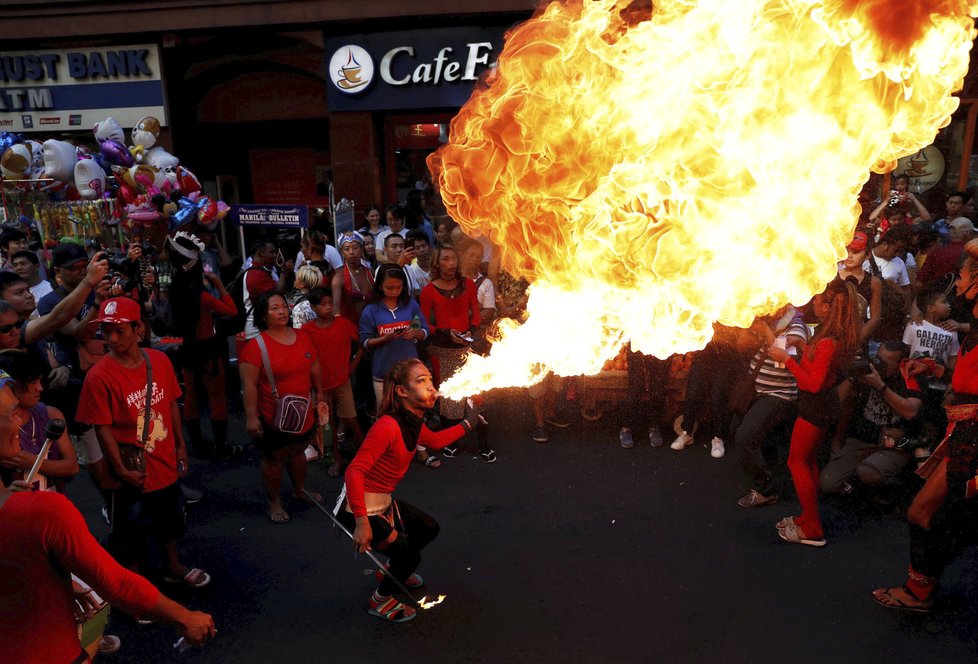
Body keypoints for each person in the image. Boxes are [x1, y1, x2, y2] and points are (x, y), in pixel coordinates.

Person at [0, 369, 216, 663]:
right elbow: (116, 584)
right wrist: (185, 618)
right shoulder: (42, 511)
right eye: (11, 413)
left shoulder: (21, 503)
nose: (18, 421)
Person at [872, 239, 978, 613]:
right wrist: (935, 369)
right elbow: (964, 378)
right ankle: (921, 589)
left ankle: (920, 592)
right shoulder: (972, 325)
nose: (957, 281)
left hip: (974, 440)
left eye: (964, 274)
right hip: (962, 433)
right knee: (929, 514)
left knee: (935, 515)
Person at [76, 297, 209, 587]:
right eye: (106, 331)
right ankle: (133, 589)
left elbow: (172, 403)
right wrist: (120, 471)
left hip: (164, 462)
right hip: (131, 469)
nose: (111, 338)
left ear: (139, 328)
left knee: (171, 519)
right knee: (129, 531)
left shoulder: (159, 361)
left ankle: (171, 566)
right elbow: (103, 429)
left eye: (119, 330)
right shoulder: (98, 377)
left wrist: (181, 445)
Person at [339, 358, 482, 623]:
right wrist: (361, 522)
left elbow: (435, 440)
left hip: (383, 501)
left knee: (428, 528)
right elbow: (354, 471)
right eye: (420, 381)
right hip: (359, 506)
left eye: (429, 379)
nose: (430, 385)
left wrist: (468, 423)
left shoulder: (414, 421)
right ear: (402, 391)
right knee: (409, 555)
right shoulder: (388, 426)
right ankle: (380, 601)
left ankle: (393, 570)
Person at [765, 280, 860, 546]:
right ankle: (808, 517)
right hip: (821, 406)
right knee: (808, 462)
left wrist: (787, 360)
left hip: (816, 407)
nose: (813, 303)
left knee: (796, 463)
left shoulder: (829, 340)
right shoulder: (830, 335)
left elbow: (814, 384)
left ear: (827, 307)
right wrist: (802, 346)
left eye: (817, 300)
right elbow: (819, 367)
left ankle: (813, 528)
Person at [239, 292, 324, 524]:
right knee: (274, 459)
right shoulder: (256, 347)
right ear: (263, 316)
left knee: (299, 452)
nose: (282, 311)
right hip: (273, 416)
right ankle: (274, 501)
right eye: (274, 308)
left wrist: (320, 396)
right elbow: (249, 385)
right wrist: (251, 418)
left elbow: (314, 366)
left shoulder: (302, 336)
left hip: (303, 412)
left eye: (284, 307)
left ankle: (299, 490)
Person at [166, 233, 241, 460]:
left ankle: (197, 444)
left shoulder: (175, 289)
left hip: (187, 348)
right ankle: (221, 445)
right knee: (217, 397)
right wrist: (219, 283)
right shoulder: (202, 295)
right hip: (209, 348)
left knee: (191, 395)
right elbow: (232, 311)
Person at [420, 244, 495, 463]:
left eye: (453, 258)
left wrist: (469, 331)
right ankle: (451, 441)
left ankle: (483, 443)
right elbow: (425, 324)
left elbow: (475, 314)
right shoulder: (428, 290)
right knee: (450, 400)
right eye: (445, 259)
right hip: (442, 351)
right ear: (437, 263)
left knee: (475, 396)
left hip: (466, 348)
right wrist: (444, 333)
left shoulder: (469, 285)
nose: (451, 263)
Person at [819, 341, 923, 495]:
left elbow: (910, 411)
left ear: (900, 363)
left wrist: (880, 386)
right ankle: (859, 488)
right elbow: (837, 403)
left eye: (885, 362)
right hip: (863, 438)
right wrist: (852, 376)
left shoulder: (910, 375)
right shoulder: (868, 372)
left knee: (868, 472)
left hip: (895, 443)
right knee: (827, 483)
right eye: (878, 358)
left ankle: (896, 490)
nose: (879, 364)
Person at [736, 306, 810, 507]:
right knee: (766, 441)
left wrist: (764, 331)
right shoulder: (776, 324)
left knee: (745, 438)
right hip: (762, 394)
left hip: (779, 397)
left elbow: (781, 352)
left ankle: (766, 490)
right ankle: (776, 479)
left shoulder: (797, 326)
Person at [297, 288, 364, 477]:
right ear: (313, 307)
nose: (328, 308)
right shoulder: (307, 330)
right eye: (323, 304)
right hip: (321, 386)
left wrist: (353, 366)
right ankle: (337, 458)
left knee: (351, 419)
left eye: (330, 303)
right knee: (329, 424)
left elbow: (361, 344)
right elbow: (305, 357)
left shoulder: (343, 324)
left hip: (342, 382)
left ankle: (365, 455)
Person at [0, 350, 78, 493]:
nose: (40, 388)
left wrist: (33, 463)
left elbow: (72, 466)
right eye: (32, 382)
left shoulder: (51, 415)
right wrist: (7, 496)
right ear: (10, 386)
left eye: (39, 381)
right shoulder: (4, 431)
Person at [670, 326, 744, 459]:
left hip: (728, 352)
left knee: (719, 395)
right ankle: (687, 433)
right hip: (705, 350)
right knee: (693, 392)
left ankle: (719, 438)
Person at [837, 231, 882, 345]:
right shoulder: (832, 276)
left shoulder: (873, 282)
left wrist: (857, 340)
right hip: (832, 336)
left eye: (856, 252)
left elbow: (875, 317)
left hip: (858, 335)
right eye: (847, 250)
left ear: (868, 255)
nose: (849, 255)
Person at [242, 240, 292, 342]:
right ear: (261, 254)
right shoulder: (255, 275)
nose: (275, 255)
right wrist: (283, 269)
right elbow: (279, 292)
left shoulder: (264, 270)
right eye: (272, 252)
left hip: (262, 328)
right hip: (257, 331)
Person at [917, 217, 976, 286]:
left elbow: (919, 281)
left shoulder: (936, 252)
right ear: (968, 233)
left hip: (936, 294)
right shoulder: (971, 253)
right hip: (959, 294)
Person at [332, 232, 374, 325]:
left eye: (355, 248)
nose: (351, 252)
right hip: (350, 327)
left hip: (372, 325)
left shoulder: (370, 272)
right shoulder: (339, 277)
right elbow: (336, 308)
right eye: (346, 249)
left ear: (362, 248)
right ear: (342, 252)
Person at [9, 249, 52, 315]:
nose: (19, 268)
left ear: (36, 266)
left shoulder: (50, 289)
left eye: (23, 264)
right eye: (15, 265)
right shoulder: (12, 293)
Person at [290, 264, 325, 329]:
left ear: (302, 284)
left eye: (296, 279)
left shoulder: (300, 308)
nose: (294, 281)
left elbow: (300, 334)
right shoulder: (326, 301)